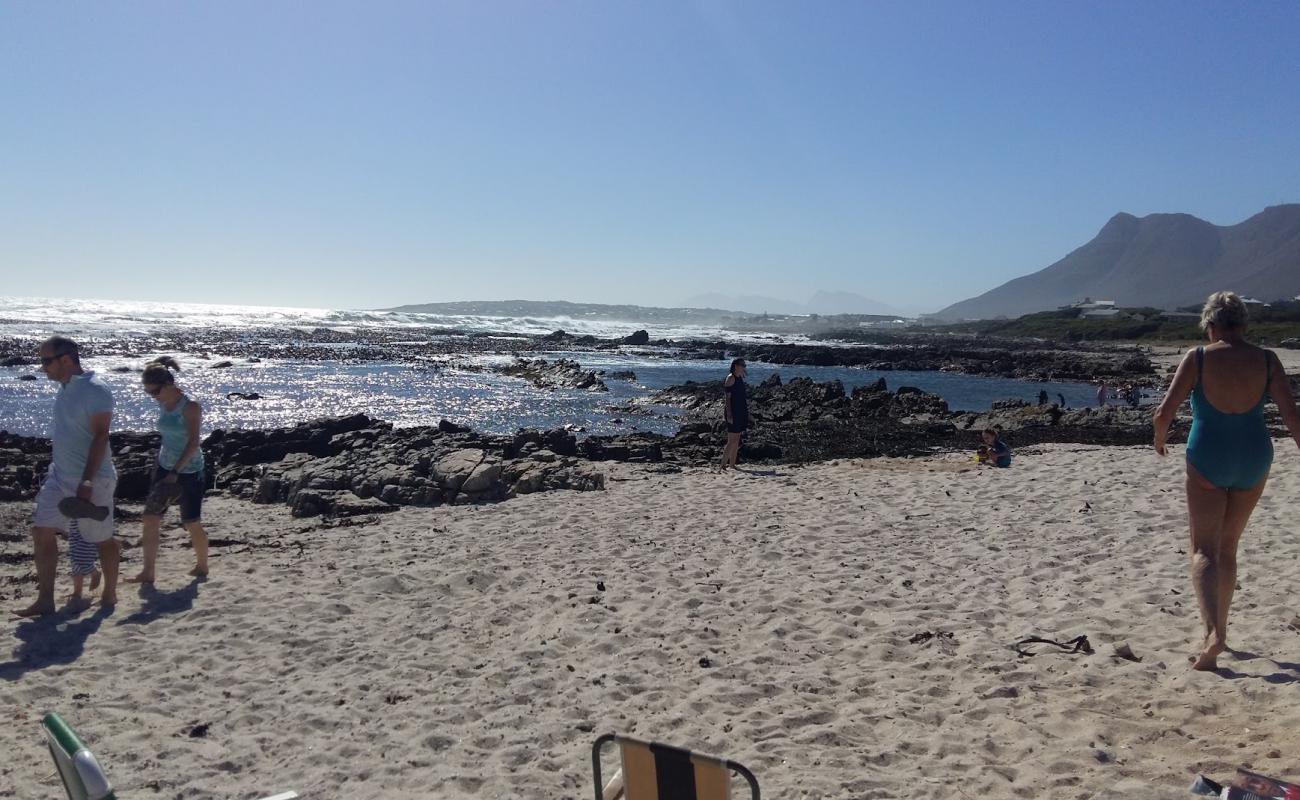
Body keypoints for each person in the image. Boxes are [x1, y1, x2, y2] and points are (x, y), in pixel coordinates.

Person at [1153, 291, 1300, 670]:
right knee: (1229, 547)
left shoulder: (1198, 358)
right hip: (1254, 457)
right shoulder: (1268, 360)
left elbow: (1163, 414)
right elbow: (1292, 417)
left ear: (1211, 325)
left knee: (1203, 549)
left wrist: (1159, 440)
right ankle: (1222, 628)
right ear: (1245, 324)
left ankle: (1212, 634)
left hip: (1208, 456)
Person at [15, 336, 120, 617]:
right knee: (41, 530)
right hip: (59, 477)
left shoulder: (95, 389)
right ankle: (46, 600)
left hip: (94, 479)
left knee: (102, 539)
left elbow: (101, 437)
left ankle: (110, 591)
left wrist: (86, 483)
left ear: (66, 359)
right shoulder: (64, 388)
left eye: (46, 361)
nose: (42, 367)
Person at [128, 357, 210, 583]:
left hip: (189, 471)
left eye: (154, 391)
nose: (152, 397)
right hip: (164, 466)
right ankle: (148, 572)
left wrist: (176, 471)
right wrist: (157, 364)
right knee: (150, 518)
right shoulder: (163, 402)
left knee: (191, 522)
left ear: (168, 384)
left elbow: (194, 443)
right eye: (148, 392)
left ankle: (202, 566)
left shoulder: (190, 406)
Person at [719, 358, 748, 470]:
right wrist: (729, 414)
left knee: (737, 439)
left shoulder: (740, 377)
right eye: (742, 365)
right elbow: (727, 399)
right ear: (736, 366)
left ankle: (732, 464)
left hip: (741, 411)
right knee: (731, 440)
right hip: (733, 412)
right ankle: (722, 465)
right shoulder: (730, 378)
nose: (744, 367)